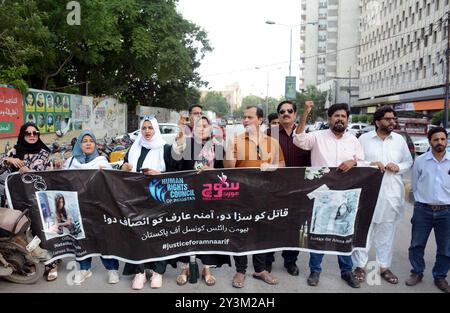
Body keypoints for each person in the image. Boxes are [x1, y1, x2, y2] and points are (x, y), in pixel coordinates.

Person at [293, 102, 363, 288]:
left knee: (344, 233)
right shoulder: (317, 136)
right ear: (329, 119)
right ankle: (315, 271)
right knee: (319, 233)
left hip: (346, 194)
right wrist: (306, 112)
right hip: (322, 193)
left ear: (347, 120)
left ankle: (346, 271)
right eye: (336, 116)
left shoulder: (354, 140)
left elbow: (362, 161)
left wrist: (352, 162)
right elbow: (298, 140)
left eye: (343, 116)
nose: (340, 119)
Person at [224, 105, 285, 288]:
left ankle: (260, 269)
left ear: (260, 120)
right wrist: (227, 148)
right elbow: (229, 168)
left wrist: (273, 167)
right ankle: (240, 271)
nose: (245, 120)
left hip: (265, 194)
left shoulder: (272, 142)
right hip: (241, 194)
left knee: (262, 232)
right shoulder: (236, 141)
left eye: (249, 117)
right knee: (240, 232)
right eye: (244, 117)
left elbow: (282, 165)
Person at [167, 116, 231, 286]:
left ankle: (207, 268)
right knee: (186, 231)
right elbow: (173, 165)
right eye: (197, 126)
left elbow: (225, 174)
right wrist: (178, 145)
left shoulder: (218, 147)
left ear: (211, 128)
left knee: (207, 232)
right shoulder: (187, 144)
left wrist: (211, 170)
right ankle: (185, 268)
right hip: (187, 196)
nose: (201, 128)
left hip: (210, 197)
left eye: (205, 125)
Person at [352, 105, 413, 285]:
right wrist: (370, 163)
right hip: (368, 194)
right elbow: (355, 161)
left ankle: (383, 267)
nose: (392, 122)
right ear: (377, 121)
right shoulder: (364, 139)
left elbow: (409, 162)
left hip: (391, 194)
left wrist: (398, 167)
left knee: (386, 233)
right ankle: (359, 266)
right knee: (364, 231)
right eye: (388, 119)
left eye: (394, 119)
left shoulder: (399, 140)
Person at [55, 131, 121, 285]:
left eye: (91, 140)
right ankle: (85, 268)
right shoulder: (71, 162)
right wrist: (58, 166)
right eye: (84, 141)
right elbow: (61, 182)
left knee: (104, 238)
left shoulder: (102, 161)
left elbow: (112, 185)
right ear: (79, 144)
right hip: (78, 208)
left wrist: (105, 174)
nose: (88, 143)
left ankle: (112, 269)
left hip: (99, 208)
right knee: (81, 239)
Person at [121, 116, 171, 290]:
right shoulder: (134, 148)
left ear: (156, 129)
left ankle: (158, 271)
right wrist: (124, 167)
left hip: (158, 199)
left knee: (159, 234)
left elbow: (176, 175)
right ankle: (140, 271)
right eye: (144, 128)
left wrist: (159, 174)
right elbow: (123, 168)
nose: (147, 131)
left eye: (150, 128)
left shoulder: (165, 149)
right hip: (135, 199)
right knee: (138, 234)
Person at [0, 123, 55, 279]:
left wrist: (29, 171)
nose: (32, 136)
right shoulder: (15, 151)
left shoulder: (45, 153)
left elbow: (49, 176)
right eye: (28, 133)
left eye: (35, 133)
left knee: (43, 230)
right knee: (23, 232)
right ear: (22, 135)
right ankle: (30, 263)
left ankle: (52, 264)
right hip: (16, 200)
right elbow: (0, 167)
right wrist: (9, 159)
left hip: (38, 199)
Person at [266, 101, 311, 276]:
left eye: (289, 111)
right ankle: (267, 260)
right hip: (274, 188)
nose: (286, 113)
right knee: (270, 224)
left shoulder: (305, 135)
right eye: (282, 111)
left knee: (295, 226)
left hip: (299, 188)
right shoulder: (270, 134)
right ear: (278, 116)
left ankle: (290, 261)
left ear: (295, 114)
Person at [406, 127, 450, 293]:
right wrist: (420, 203)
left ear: (446, 140)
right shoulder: (420, 161)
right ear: (430, 141)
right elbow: (415, 185)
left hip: (447, 211)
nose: (440, 142)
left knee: (445, 247)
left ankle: (440, 276)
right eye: (436, 139)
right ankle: (417, 272)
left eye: (443, 139)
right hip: (423, 210)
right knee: (416, 244)